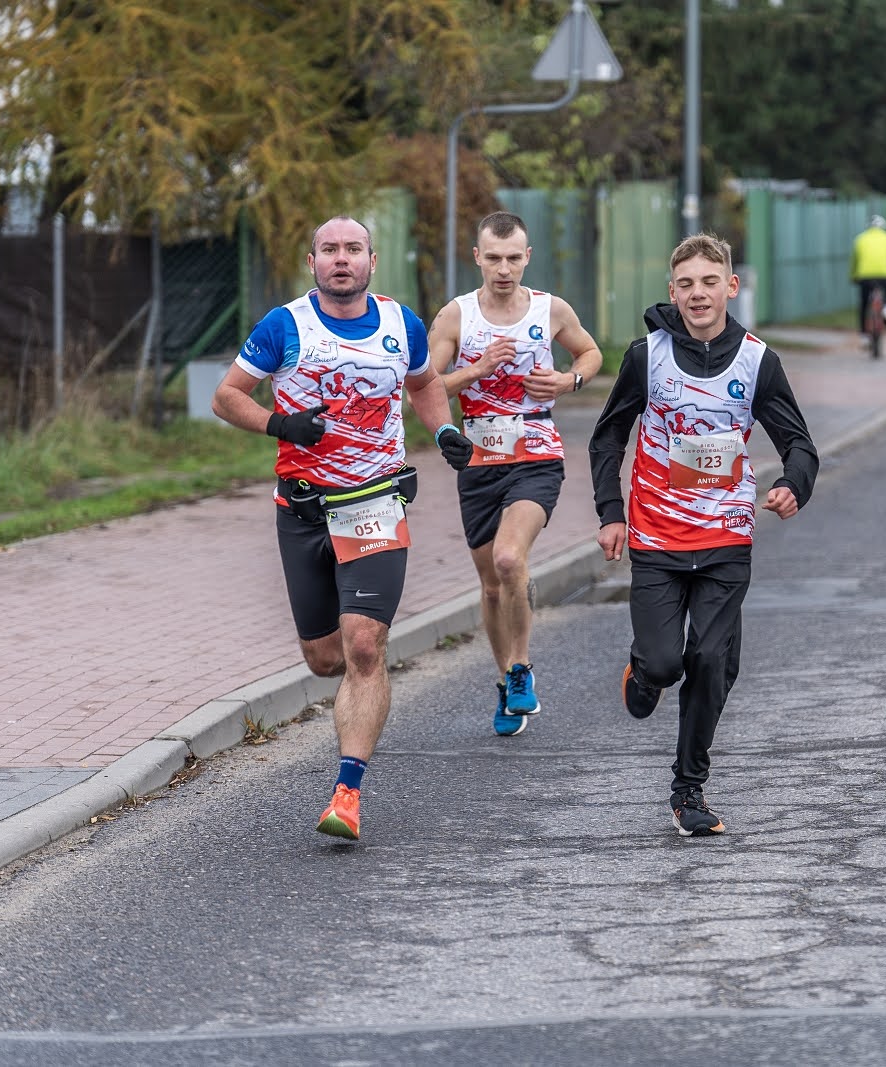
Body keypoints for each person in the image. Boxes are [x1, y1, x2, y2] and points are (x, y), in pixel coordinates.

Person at [211, 216, 474, 841]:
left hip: (374, 502)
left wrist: (444, 430)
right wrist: (281, 424)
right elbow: (227, 396)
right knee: (325, 657)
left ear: (371, 262)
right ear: (312, 263)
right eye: (329, 250)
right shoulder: (284, 326)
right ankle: (350, 695)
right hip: (302, 508)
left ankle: (347, 794)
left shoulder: (402, 325)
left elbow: (424, 383)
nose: (341, 259)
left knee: (363, 646)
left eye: (353, 249)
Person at [590, 233, 819, 837]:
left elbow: (798, 443)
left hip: (725, 535)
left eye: (709, 282)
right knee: (667, 662)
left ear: (730, 287)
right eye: (686, 284)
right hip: (656, 535)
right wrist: (610, 512)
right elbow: (608, 436)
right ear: (672, 292)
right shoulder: (646, 357)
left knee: (712, 661)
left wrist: (793, 484)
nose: (698, 294)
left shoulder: (758, 361)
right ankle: (645, 673)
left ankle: (688, 788)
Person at [428, 210, 604, 737]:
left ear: (527, 257)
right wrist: (477, 370)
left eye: (513, 258)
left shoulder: (551, 309)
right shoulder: (456, 316)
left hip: (536, 453)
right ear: (477, 258)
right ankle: (505, 679)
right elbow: (425, 387)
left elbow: (590, 353)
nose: (503, 269)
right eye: (493, 258)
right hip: (479, 460)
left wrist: (569, 381)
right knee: (490, 586)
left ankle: (522, 666)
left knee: (509, 558)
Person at [850, 214, 886, 357]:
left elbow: (854, 261)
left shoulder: (860, 239)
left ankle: (864, 335)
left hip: (865, 276)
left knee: (864, 304)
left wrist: (853, 276)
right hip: (884, 275)